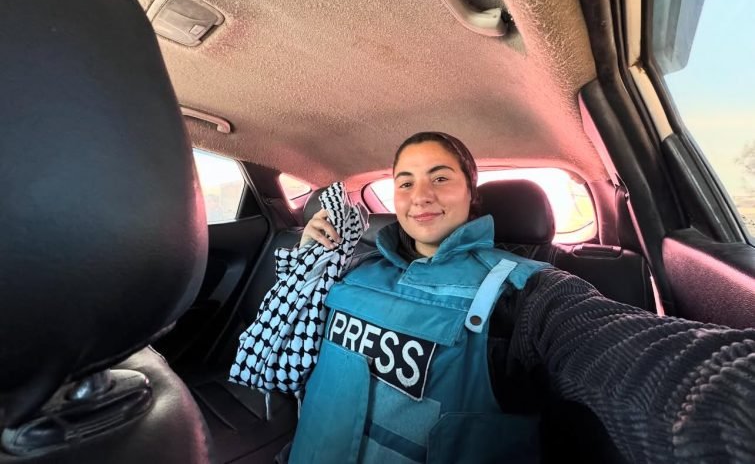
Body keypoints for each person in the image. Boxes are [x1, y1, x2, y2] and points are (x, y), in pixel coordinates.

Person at [286, 131, 755, 464]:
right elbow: (285, 351)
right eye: (405, 182)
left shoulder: (527, 291)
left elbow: (653, 367)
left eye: (440, 178)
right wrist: (308, 263)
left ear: (472, 195)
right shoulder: (355, 268)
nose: (420, 195)